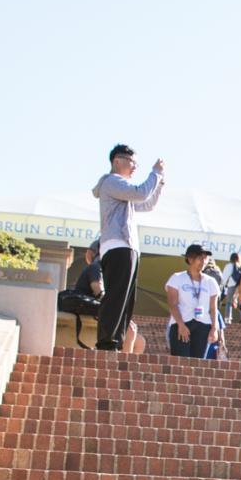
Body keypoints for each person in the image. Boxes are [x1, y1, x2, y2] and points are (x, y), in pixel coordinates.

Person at [92, 144, 164, 351]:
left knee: (125, 299)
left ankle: (116, 340)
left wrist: (158, 183)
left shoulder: (123, 191)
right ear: (117, 161)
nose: (134, 167)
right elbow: (141, 193)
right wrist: (155, 173)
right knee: (116, 295)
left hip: (127, 246)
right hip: (118, 245)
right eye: (132, 162)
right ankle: (107, 342)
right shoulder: (113, 182)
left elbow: (147, 204)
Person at [164, 244, 223, 359]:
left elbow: (213, 308)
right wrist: (181, 325)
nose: (204, 261)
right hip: (181, 323)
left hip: (203, 325)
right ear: (190, 259)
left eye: (205, 258)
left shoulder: (211, 282)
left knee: (197, 364)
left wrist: (214, 329)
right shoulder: (177, 278)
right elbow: (172, 304)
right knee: (181, 362)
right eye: (200, 258)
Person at [220, 252, 241, 326]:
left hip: (231, 285)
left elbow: (224, 277)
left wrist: (222, 285)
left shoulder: (229, 265)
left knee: (229, 302)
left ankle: (228, 319)